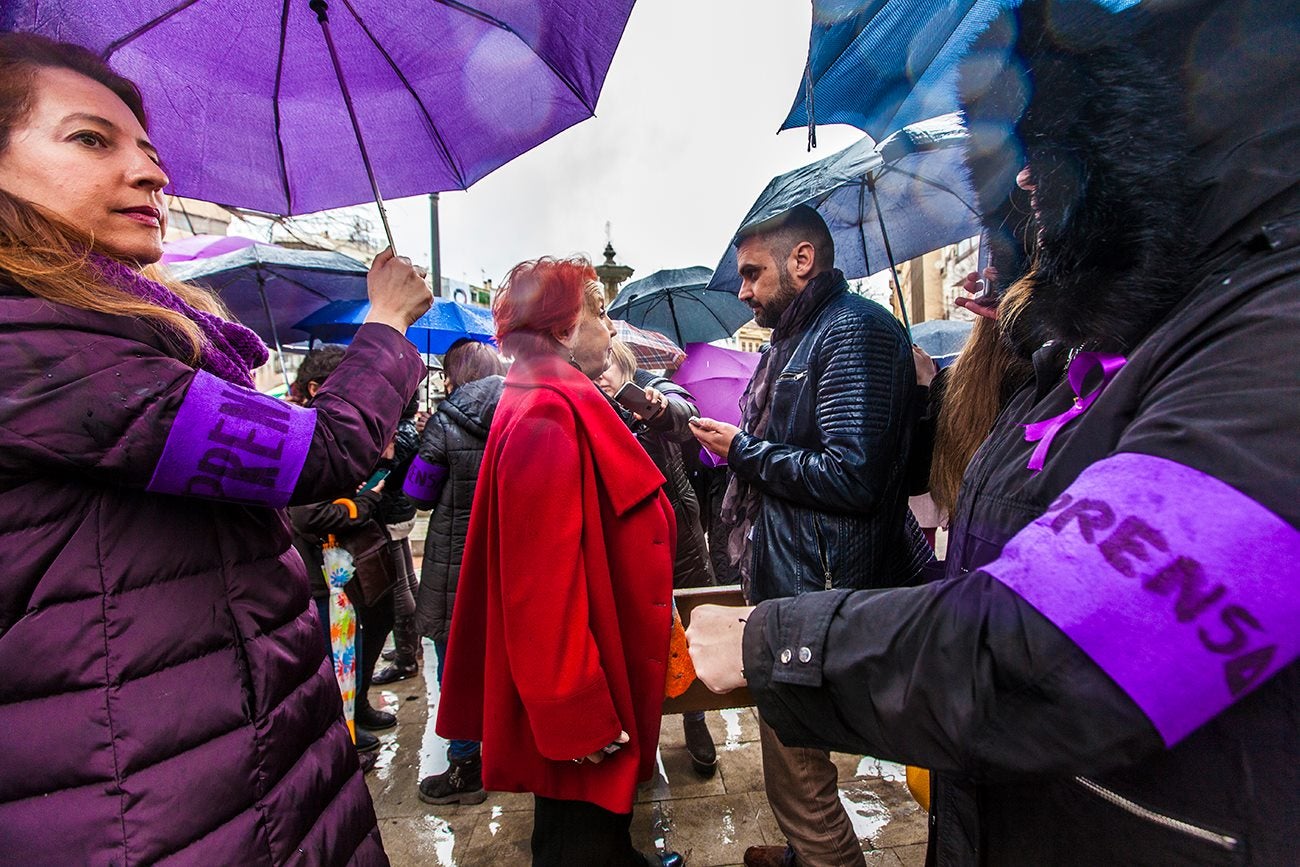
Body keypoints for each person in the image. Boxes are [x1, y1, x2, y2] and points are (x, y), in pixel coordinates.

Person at [686, 1, 1300, 864]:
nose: (1017, 185)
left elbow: (1056, 644)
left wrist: (776, 636)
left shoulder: (1272, 337)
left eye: (1048, 140)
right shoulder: (1103, 344)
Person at [0, 33, 432, 864]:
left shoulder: (101, 330)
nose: (152, 174)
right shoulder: (44, 350)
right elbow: (320, 452)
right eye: (91, 138)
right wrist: (383, 323)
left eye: (150, 151)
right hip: (153, 800)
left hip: (225, 761)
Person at [689, 204, 931, 867]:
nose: (743, 291)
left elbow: (853, 476)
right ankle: (803, 852)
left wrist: (743, 450)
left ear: (802, 260)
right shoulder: (798, 336)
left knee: (801, 783)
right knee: (790, 765)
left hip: (819, 592)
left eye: (751, 273)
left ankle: (821, 855)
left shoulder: (852, 331)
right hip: (792, 581)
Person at [437, 258, 684, 867]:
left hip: (601, 653)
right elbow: (539, 586)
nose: (612, 328)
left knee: (584, 831)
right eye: (600, 314)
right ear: (566, 330)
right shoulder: (547, 407)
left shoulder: (545, 393)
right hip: (586, 680)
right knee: (580, 841)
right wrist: (576, 714)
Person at [595, 337, 719, 778]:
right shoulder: (591, 403)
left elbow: (686, 413)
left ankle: (696, 719)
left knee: (691, 624)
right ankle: (637, 735)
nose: (602, 372)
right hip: (625, 539)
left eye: (608, 363)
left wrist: (655, 407)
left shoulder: (653, 388)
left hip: (679, 534)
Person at [406, 337, 507, 805]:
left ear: (454, 375)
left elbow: (418, 495)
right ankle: (510, 748)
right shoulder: (519, 411)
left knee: (454, 661)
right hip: (508, 557)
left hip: (454, 563)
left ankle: (467, 763)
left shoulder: (445, 421)